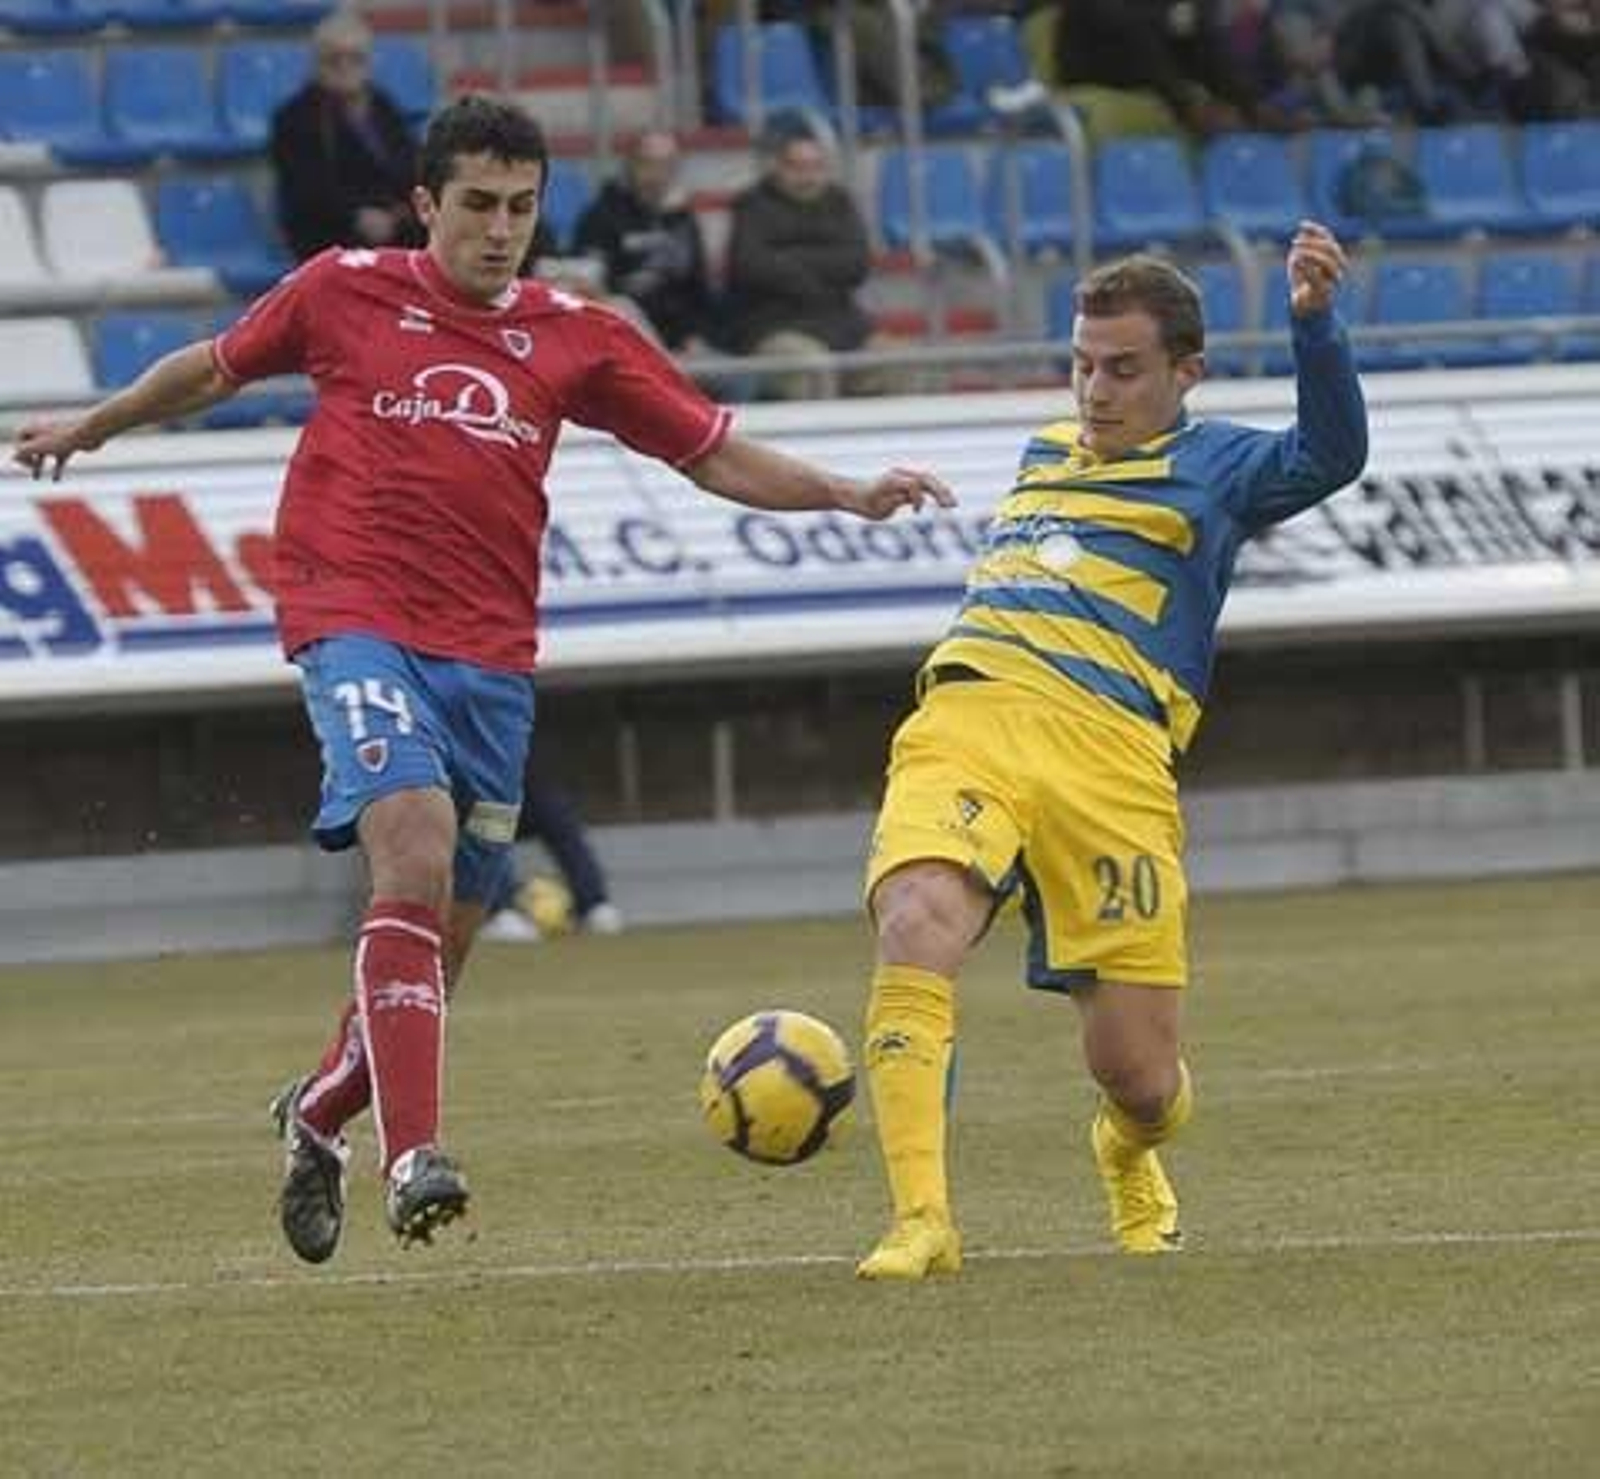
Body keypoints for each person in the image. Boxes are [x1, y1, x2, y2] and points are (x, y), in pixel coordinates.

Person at [12, 95, 953, 1265]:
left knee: (435, 954)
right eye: (478, 206)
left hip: (491, 660)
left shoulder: (578, 334)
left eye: (520, 207)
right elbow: (210, 370)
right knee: (406, 838)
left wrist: (847, 491)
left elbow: (710, 450)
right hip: (348, 617)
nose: (501, 230)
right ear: (426, 203)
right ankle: (417, 1156)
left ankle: (316, 1116)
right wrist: (92, 428)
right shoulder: (341, 288)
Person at [853, 221, 1368, 1280]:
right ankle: (922, 1220)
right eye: (1082, 365)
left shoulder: (1218, 465)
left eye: (1122, 369)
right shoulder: (1042, 448)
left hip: (1113, 759)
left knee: (1137, 1075)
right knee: (916, 918)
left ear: (1185, 372)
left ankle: (1125, 1148)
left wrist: (1314, 326)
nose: (1094, 391)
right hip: (973, 712)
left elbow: (1329, 455)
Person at [722, 120, 876, 401]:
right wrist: (826, 268)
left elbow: (857, 264)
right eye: (797, 167)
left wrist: (791, 260)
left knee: (904, 366)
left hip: (842, 324)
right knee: (814, 368)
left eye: (816, 167)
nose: (808, 176)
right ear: (778, 167)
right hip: (773, 326)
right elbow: (752, 267)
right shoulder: (752, 204)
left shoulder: (840, 202)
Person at [270, 7, 423, 262]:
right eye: (334, 58)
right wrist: (356, 215)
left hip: (394, 222)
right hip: (331, 229)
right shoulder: (294, 117)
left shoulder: (383, 105)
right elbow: (304, 191)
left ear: (369, 60)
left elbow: (409, 165)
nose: (345, 66)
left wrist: (400, 212)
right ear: (316, 63)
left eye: (355, 57)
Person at [571, 129, 719, 352]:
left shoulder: (683, 218)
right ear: (630, 164)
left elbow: (698, 289)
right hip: (625, 340)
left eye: (668, 165)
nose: (658, 174)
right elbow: (594, 292)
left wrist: (694, 335)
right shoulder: (600, 216)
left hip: (683, 340)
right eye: (649, 163)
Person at [479, 771, 623, 941]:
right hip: (483, 787)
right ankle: (500, 912)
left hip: (522, 777)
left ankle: (595, 905)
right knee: (489, 822)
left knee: (558, 817)